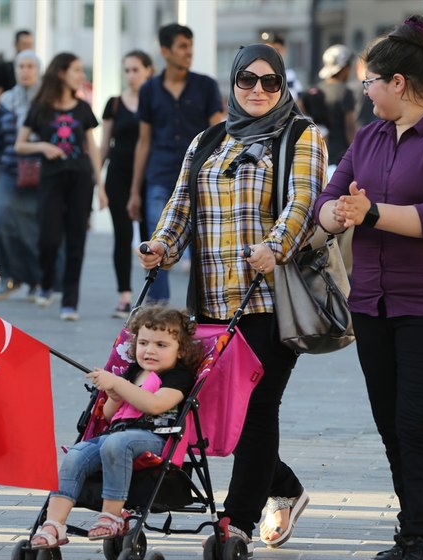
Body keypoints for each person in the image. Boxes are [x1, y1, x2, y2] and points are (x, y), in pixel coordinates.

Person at [139, 43, 326, 553]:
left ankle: (237, 522)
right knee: (218, 414)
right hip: (212, 307)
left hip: (271, 299)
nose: (258, 90)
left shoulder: (301, 135)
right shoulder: (208, 139)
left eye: (270, 81)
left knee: (258, 409)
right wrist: (160, 246)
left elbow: (303, 202)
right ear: (233, 82)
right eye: (248, 80)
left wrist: (275, 246)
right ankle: (284, 488)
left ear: (284, 84)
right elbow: (181, 208)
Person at [315, 16, 423, 560]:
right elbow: (331, 199)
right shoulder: (369, 135)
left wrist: (369, 212)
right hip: (371, 302)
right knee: (391, 425)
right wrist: (336, 214)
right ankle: (411, 529)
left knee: (419, 422)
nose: (364, 88)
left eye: (371, 79)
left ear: (397, 81)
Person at [28, 306, 202, 549]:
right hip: (117, 435)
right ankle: (54, 524)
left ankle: (111, 516)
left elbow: (154, 405)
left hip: (154, 437)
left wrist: (119, 384)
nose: (149, 350)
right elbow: (109, 415)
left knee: (116, 442)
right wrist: (114, 394)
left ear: (180, 350)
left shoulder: (178, 376)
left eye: (161, 345)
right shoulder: (134, 372)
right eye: (143, 343)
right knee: (77, 453)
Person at [127, 23, 224, 306]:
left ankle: (204, 306)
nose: (189, 52)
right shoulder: (149, 90)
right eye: (182, 46)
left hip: (199, 176)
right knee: (159, 239)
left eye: (190, 46)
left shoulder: (205, 85)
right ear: (165, 51)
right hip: (159, 175)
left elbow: (218, 133)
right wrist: (135, 190)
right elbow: (143, 141)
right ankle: (158, 306)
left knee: (203, 242)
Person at [15, 52, 102, 322]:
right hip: (51, 178)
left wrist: (102, 185)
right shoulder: (41, 108)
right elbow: (20, 144)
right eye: (76, 70)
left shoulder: (82, 108)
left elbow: (93, 147)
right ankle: (46, 281)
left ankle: (70, 301)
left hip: (80, 178)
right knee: (48, 239)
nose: (81, 75)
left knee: (76, 239)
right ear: (62, 73)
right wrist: (43, 146)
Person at [0, 50, 41, 301]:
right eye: (21, 66)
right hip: (8, 171)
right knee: (0, 224)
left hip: (39, 174)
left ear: (38, 70)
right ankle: (10, 277)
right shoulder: (6, 101)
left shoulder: (47, 100)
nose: (25, 71)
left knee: (32, 231)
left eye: (30, 66)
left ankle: (36, 281)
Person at [99, 50, 154, 318]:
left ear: (148, 71)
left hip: (148, 176)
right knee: (122, 236)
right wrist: (96, 183)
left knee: (151, 235)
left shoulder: (154, 102)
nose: (131, 75)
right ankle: (125, 295)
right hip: (117, 176)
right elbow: (103, 145)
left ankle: (149, 293)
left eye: (136, 70)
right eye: (127, 70)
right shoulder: (115, 104)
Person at [300, 44, 356, 174]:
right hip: (340, 155)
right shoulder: (345, 92)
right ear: (343, 68)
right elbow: (350, 127)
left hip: (318, 152)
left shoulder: (313, 91)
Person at [0, 30, 34, 112]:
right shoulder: (4, 67)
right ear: (16, 44)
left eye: (29, 45)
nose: (27, 49)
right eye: (24, 44)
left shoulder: (36, 69)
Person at [266, 33, 303, 101]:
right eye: (269, 50)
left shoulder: (290, 75)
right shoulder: (258, 74)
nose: (273, 54)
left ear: (284, 50)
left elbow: (298, 101)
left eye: (277, 49)